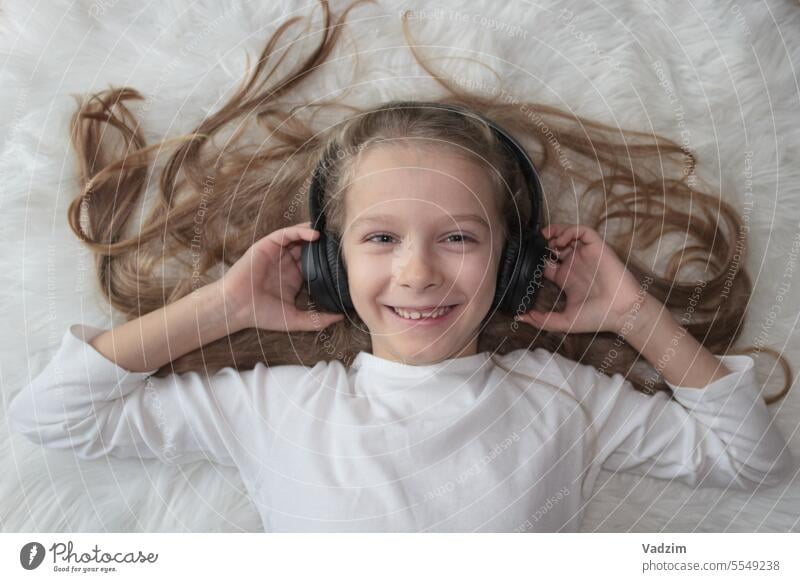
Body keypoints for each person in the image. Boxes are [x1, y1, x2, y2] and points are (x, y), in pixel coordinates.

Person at [7, 0, 794, 532]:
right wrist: (222, 308)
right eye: (380, 239)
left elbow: (752, 464)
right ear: (327, 263)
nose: (417, 274)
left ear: (514, 258)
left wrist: (633, 316)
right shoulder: (268, 407)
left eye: (459, 238)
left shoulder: (570, 403)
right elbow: (50, 416)